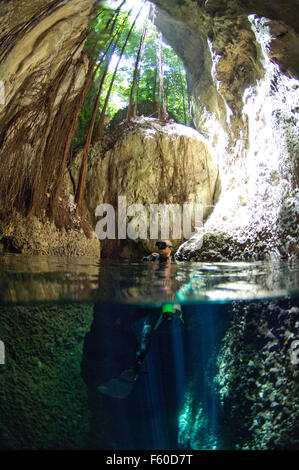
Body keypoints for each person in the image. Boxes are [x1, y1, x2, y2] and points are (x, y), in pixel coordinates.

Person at [97, 240, 183, 399]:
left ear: (170, 249)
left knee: (146, 336)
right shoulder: (154, 258)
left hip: (161, 306)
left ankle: (134, 369)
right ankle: (125, 358)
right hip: (149, 301)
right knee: (122, 323)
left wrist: (175, 306)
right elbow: (142, 265)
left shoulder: (175, 264)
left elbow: (177, 286)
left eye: (163, 246)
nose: (160, 248)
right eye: (159, 245)